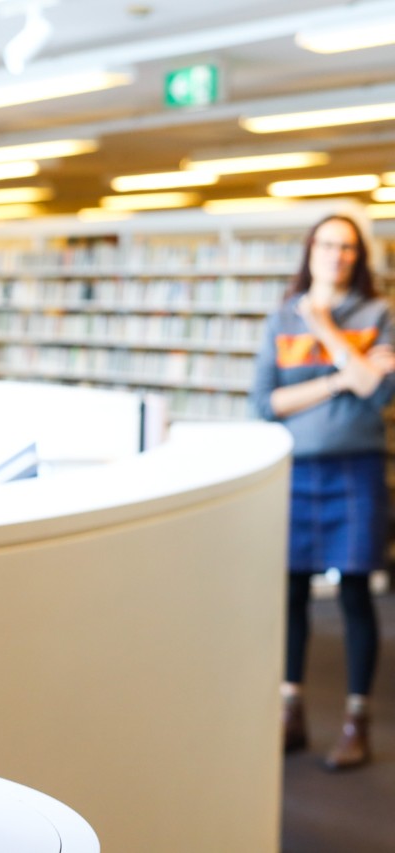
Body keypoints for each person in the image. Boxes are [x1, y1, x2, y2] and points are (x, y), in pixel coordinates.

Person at [250, 212, 395, 770]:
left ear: (359, 258)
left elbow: (376, 395)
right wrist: (341, 376)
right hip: (296, 471)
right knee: (291, 595)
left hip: (355, 470)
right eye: (328, 244)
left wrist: (326, 329)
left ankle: (357, 719)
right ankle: (291, 711)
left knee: (356, 594)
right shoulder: (281, 320)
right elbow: (266, 403)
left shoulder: (377, 315)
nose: (337, 255)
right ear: (310, 251)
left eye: (348, 248)